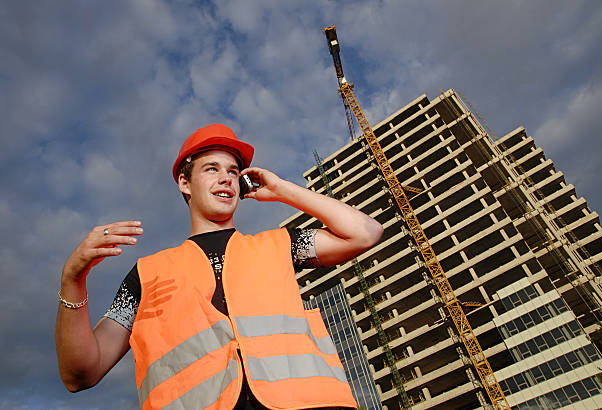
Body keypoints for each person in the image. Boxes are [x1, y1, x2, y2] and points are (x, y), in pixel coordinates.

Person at [55, 124, 383, 409]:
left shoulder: (280, 245)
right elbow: (81, 373)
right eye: (212, 169)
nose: (226, 177)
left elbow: (366, 233)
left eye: (232, 171)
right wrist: (73, 279)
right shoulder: (147, 274)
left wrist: (283, 190)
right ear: (185, 183)